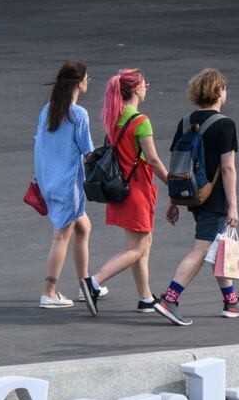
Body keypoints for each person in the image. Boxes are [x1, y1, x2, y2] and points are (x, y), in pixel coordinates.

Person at [153, 68, 239, 326]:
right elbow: (227, 168)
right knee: (202, 248)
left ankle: (231, 302)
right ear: (219, 91)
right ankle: (170, 298)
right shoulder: (225, 124)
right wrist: (233, 206)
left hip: (193, 194)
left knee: (217, 246)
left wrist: (173, 200)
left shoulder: (186, 121)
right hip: (216, 198)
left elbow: (178, 164)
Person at [79, 69, 170, 316]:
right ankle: (94, 282)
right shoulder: (141, 121)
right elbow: (152, 159)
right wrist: (172, 182)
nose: (147, 87)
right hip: (138, 189)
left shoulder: (115, 118)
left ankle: (145, 296)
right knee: (137, 249)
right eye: (144, 84)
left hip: (122, 189)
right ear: (135, 90)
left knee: (142, 245)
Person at [34, 61, 107, 309]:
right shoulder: (78, 115)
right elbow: (88, 152)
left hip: (49, 182)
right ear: (79, 83)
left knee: (84, 227)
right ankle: (49, 291)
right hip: (68, 185)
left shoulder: (48, 110)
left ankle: (85, 284)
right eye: (87, 78)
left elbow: (39, 147)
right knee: (61, 237)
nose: (89, 82)